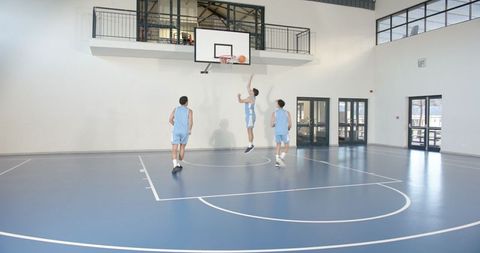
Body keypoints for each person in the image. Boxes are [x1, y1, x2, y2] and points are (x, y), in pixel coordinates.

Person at [169, 96, 193, 174]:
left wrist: (175, 125)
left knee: (174, 148)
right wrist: (189, 130)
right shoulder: (189, 111)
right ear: (186, 102)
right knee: (182, 147)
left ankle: (175, 165)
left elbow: (170, 119)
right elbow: (190, 122)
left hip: (176, 131)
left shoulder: (175, 109)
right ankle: (179, 163)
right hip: (184, 132)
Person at [237, 74, 259, 153]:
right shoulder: (253, 97)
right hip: (251, 116)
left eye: (251, 90)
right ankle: (251, 144)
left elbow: (240, 101)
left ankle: (250, 145)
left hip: (250, 116)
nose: (250, 90)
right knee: (250, 130)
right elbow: (247, 86)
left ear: (253, 93)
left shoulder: (250, 98)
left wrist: (238, 96)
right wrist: (251, 77)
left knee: (249, 130)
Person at [271, 99, 292, 167]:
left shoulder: (274, 113)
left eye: (276, 103)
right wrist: (288, 128)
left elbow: (271, 125)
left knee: (278, 145)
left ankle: (277, 161)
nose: (275, 104)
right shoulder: (287, 113)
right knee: (287, 146)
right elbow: (290, 124)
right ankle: (281, 158)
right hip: (284, 131)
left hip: (277, 131)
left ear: (278, 104)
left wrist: (275, 125)